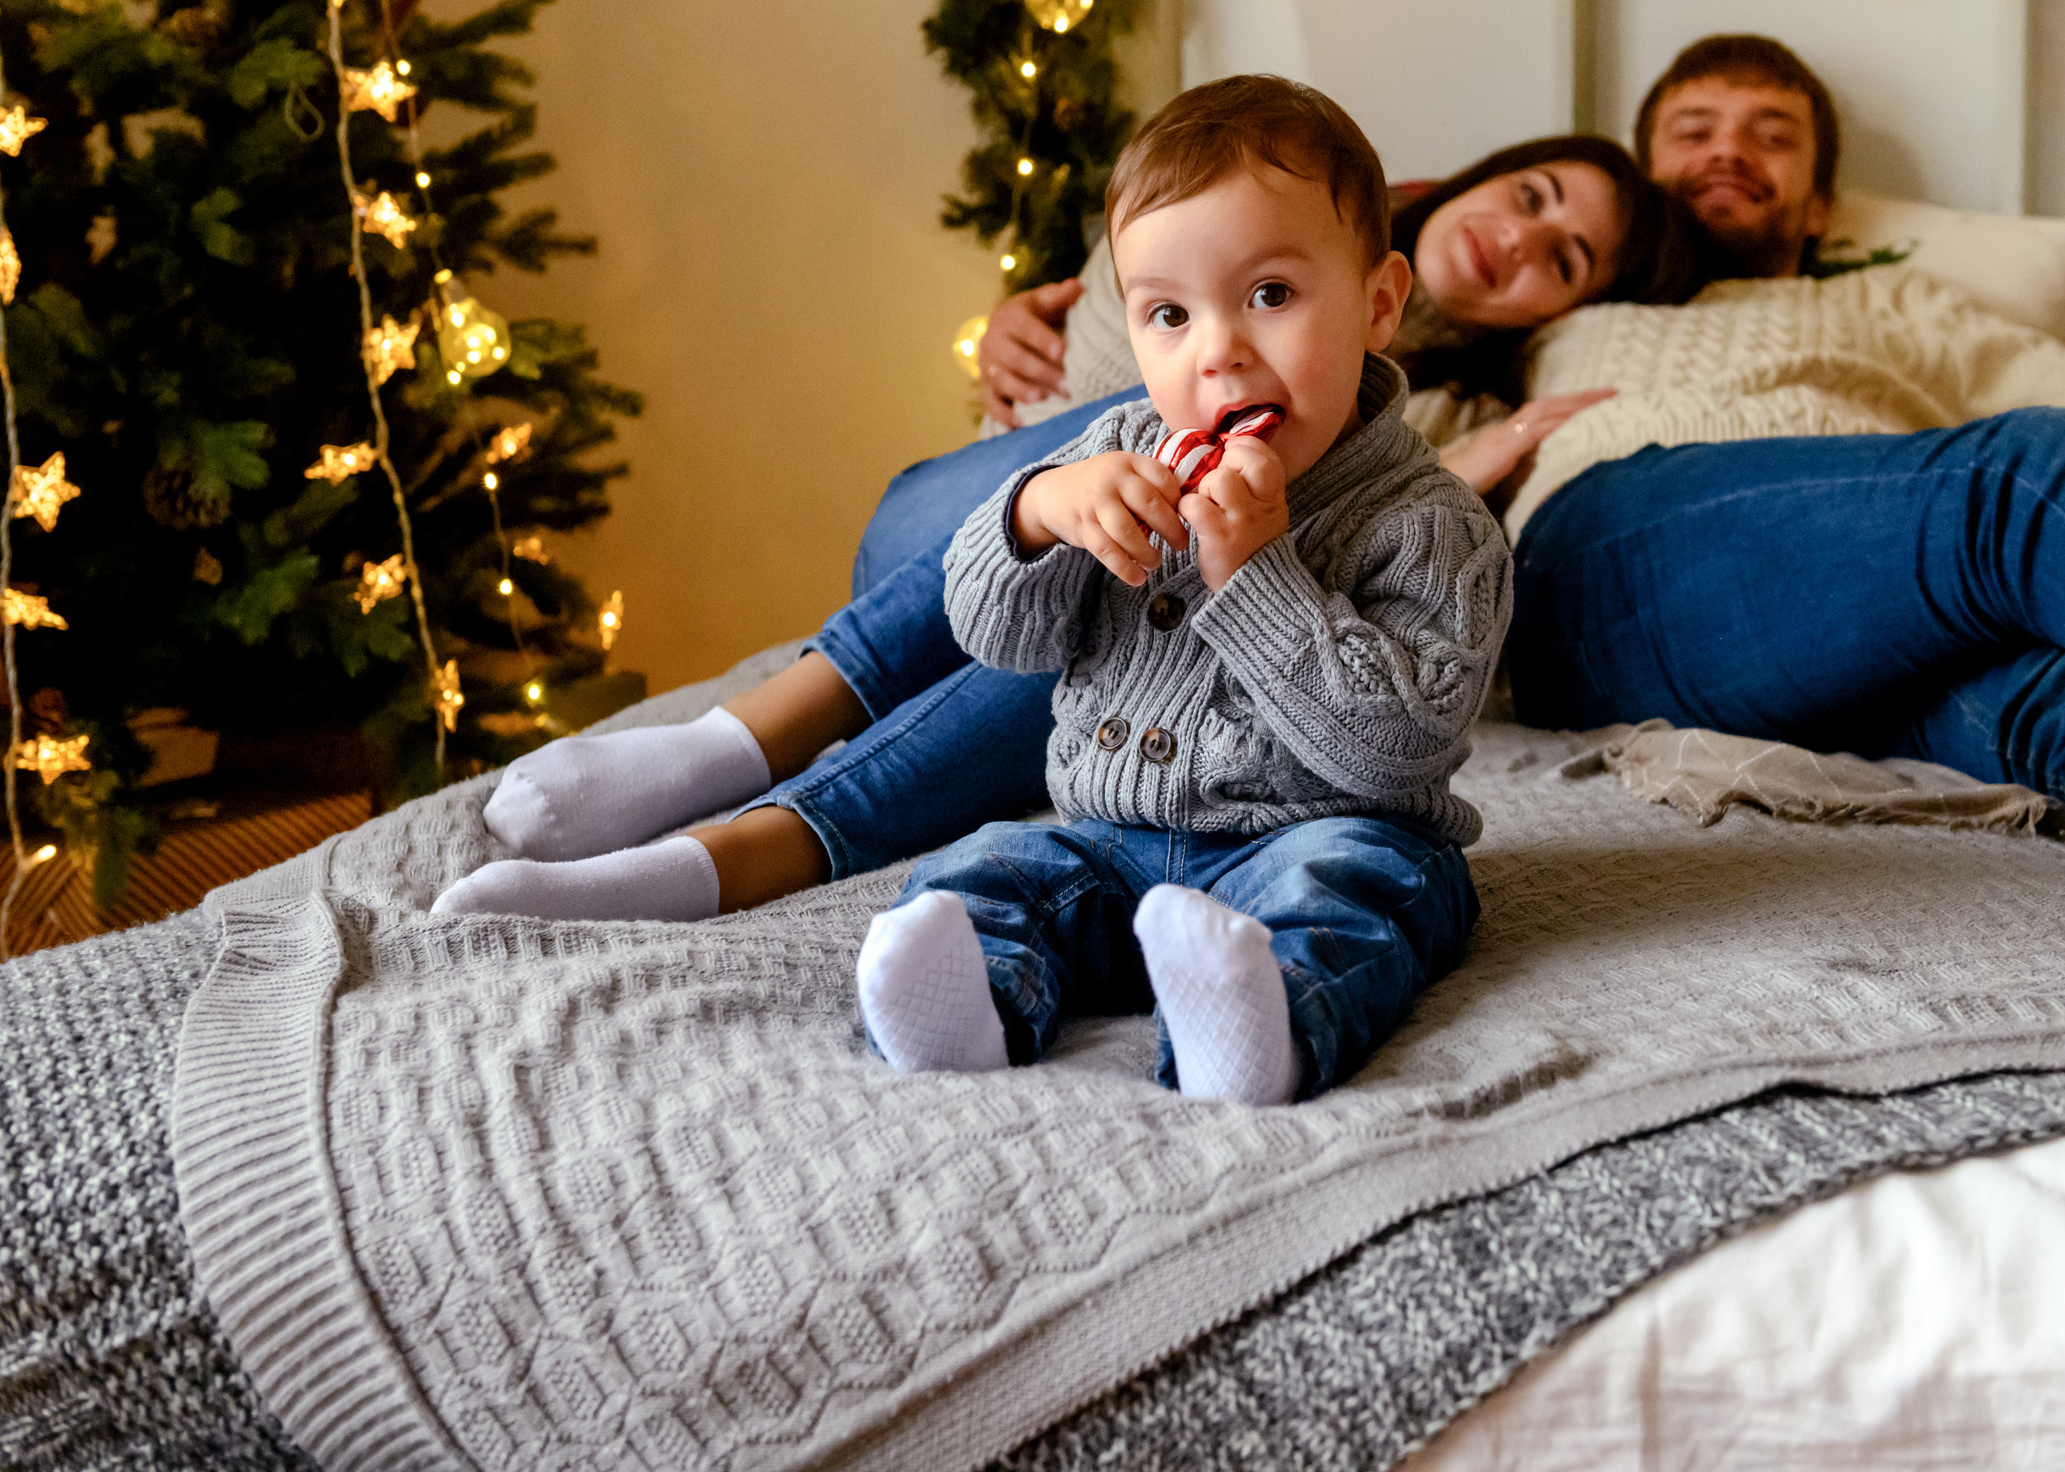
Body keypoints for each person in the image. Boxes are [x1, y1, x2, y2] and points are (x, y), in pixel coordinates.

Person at [430, 119, 1691, 925]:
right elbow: (1085, 368)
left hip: (1094, 620)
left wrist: (1445, 468)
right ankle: (739, 739)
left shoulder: (1432, 442)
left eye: (1566, 257)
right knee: (1117, 461)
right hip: (965, 519)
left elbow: (1390, 676)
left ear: (1380, 301)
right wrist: (1032, 465)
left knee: (1131, 623)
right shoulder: (1258, 176)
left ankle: (745, 847)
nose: (1521, 238)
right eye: (1532, 192)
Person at [1497, 34, 2065, 993]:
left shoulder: (1901, 307)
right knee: (2025, 480)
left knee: (2063, 705)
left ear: (1821, 201)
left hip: (1870, 621)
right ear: (1643, 173)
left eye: (1770, 134)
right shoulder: (1568, 300)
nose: (1729, 150)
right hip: (1606, 576)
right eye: (1694, 130)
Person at [851, 75, 1504, 1107]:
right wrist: (1035, 515)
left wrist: (1255, 576)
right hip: (1105, 841)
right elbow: (993, 635)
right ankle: (971, 1001)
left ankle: (1264, 1024)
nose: (1219, 351)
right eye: (1167, 313)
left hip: (1319, 834)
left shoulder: (1431, 522)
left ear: (1379, 303)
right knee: (991, 864)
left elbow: (1398, 749)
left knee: (1370, 891)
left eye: (1272, 295)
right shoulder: (1118, 451)